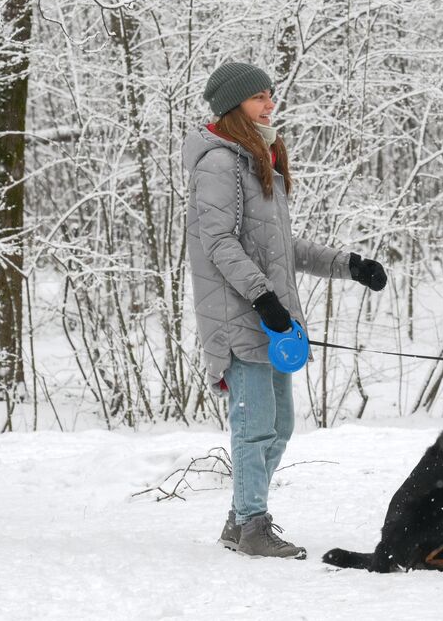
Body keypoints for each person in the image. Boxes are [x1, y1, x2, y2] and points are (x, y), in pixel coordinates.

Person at [183, 61, 388, 558]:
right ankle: (252, 525)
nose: (270, 103)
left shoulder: (256, 158)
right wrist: (262, 297)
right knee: (255, 428)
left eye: (270, 94)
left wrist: (349, 265)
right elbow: (217, 242)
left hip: (269, 319)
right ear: (235, 106)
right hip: (241, 316)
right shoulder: (218, 163)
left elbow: (279, 247)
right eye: (259, 97)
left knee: (281, 426)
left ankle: (241, 520)